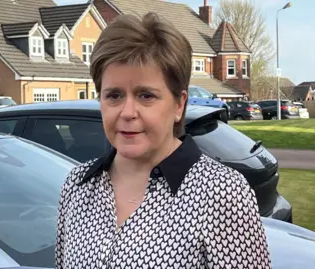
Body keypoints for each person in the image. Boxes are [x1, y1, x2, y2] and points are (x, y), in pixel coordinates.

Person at [55, 12, 272, 268]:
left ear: (179, 104)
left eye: (145, 96)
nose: (127, 112)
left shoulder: (221, 193)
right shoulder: (78, 187)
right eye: (114, 95)